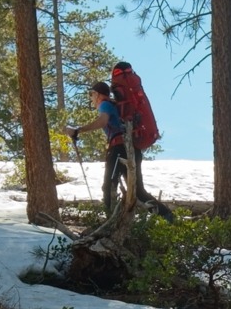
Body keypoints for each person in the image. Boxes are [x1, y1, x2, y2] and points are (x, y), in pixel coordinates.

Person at [65, 81, 170, 218]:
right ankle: (168, 217)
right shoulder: (116, 106)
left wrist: (78, 130)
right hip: (133, 149)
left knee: (109, 186)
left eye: (91, 94)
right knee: (138, 191)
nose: (91, 98)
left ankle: (110, 221)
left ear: (97, 94)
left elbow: (103, 121)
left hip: (118, 149)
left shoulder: (105, 104)